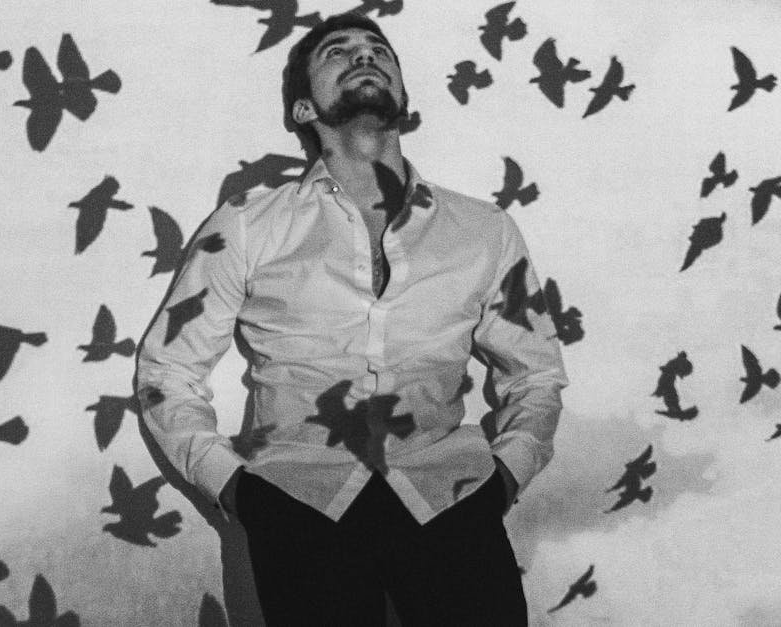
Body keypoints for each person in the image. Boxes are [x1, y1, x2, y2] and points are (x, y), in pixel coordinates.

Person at [135, 13, 568, 625]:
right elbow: (167, 370)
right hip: (299, 505)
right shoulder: (247, 225)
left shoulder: (485, 229)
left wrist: (506, 476)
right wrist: (236, 489)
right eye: (337, 52)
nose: (364, 56)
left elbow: (537, 372)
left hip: (453, 498)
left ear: (404, 96)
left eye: (378, 50)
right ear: (303, 109)